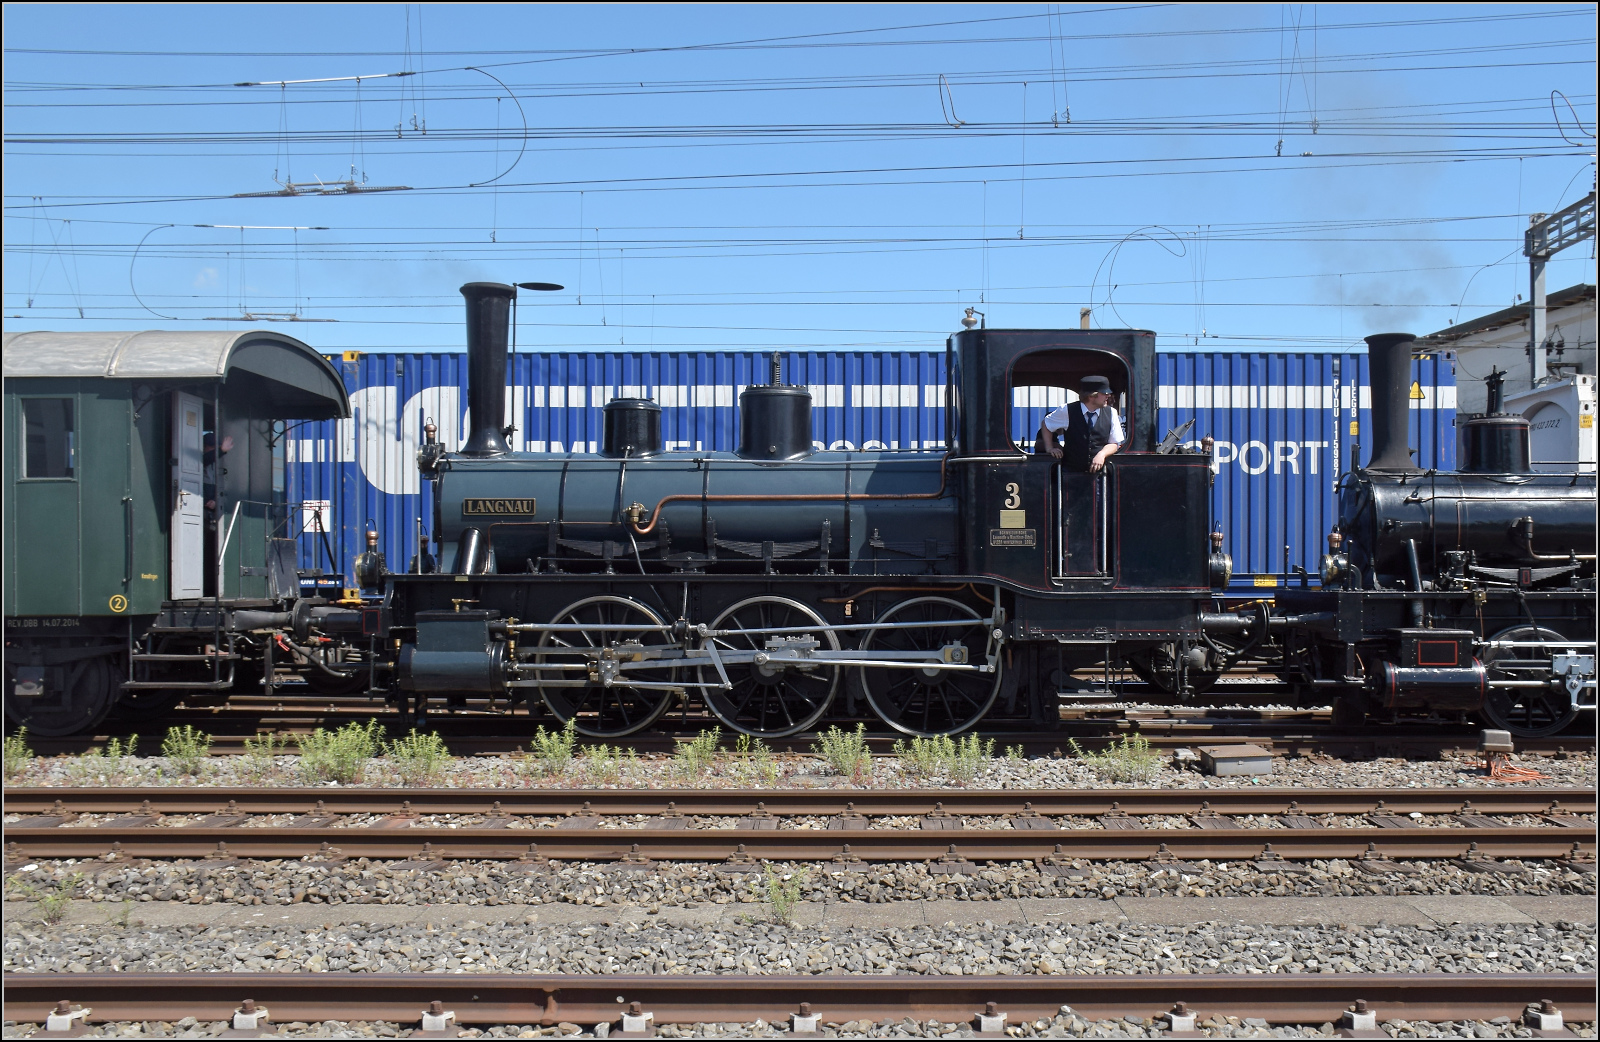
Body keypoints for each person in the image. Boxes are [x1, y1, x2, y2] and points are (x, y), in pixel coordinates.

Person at [1038, 376, 1123, 473]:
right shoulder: (1066, 410)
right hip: (1070, 473)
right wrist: (1049, 448)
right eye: (1104, 393)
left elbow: (1114, 443)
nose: (1108, 396)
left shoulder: (1112, 413)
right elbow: (1046, 424)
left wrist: (1101, 455)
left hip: (1100, 474)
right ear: (1091, 396)